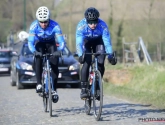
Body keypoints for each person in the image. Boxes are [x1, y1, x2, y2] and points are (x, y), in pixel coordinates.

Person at [76, 7, 117, 99]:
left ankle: (98, 85)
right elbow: (79, 42)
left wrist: (110, 55)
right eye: (90, 22)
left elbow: (107, 42)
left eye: (95, 21)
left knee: (101, 61)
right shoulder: (81, 26)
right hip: (86, 42)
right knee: (86, 63)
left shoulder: (103, 25)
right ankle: (83, 89)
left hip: (98, 42)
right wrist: (80, 55)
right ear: (86, 21)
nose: (93, 24)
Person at [28, 6, 65, 103]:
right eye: (41, 22)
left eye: (45, 21)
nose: (43, 24)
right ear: (37, 20)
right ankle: (39, 83)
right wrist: (34, 52)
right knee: (38, 58)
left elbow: (61, 42)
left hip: (51, 44)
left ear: (49, 19)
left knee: (55, 65)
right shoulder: (33, 26)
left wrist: (59, 50)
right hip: (39, 44)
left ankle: (54, 90)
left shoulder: (55, 26)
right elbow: (30, 43)